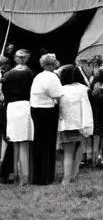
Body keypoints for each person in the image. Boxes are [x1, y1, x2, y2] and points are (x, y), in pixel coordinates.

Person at [56, 64, 93, 187]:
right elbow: (87, 107)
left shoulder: (61, 90)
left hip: (66, 124)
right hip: (81, 124)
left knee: (67, 152)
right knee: (79, 149)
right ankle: (74, 174)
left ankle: (66, 179)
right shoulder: (83, 89)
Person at [30, 53, 63, 185]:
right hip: (47, 111)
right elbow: (57, 94)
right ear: (52, 65)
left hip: (35, 109)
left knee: (38, 142)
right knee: (47, 143)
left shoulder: (38, 76)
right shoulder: (52, 77)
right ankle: (46, 175)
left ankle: (37, 175)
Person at [2, 49, 34, 185]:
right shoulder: (30, 74)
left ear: (16, 59)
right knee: (24, 144)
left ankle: (15, 176)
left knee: (14, 142)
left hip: (11, 108)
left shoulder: (8, 75)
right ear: (26, 59)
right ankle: (24, 178)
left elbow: (4, 94)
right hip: (25, 106)